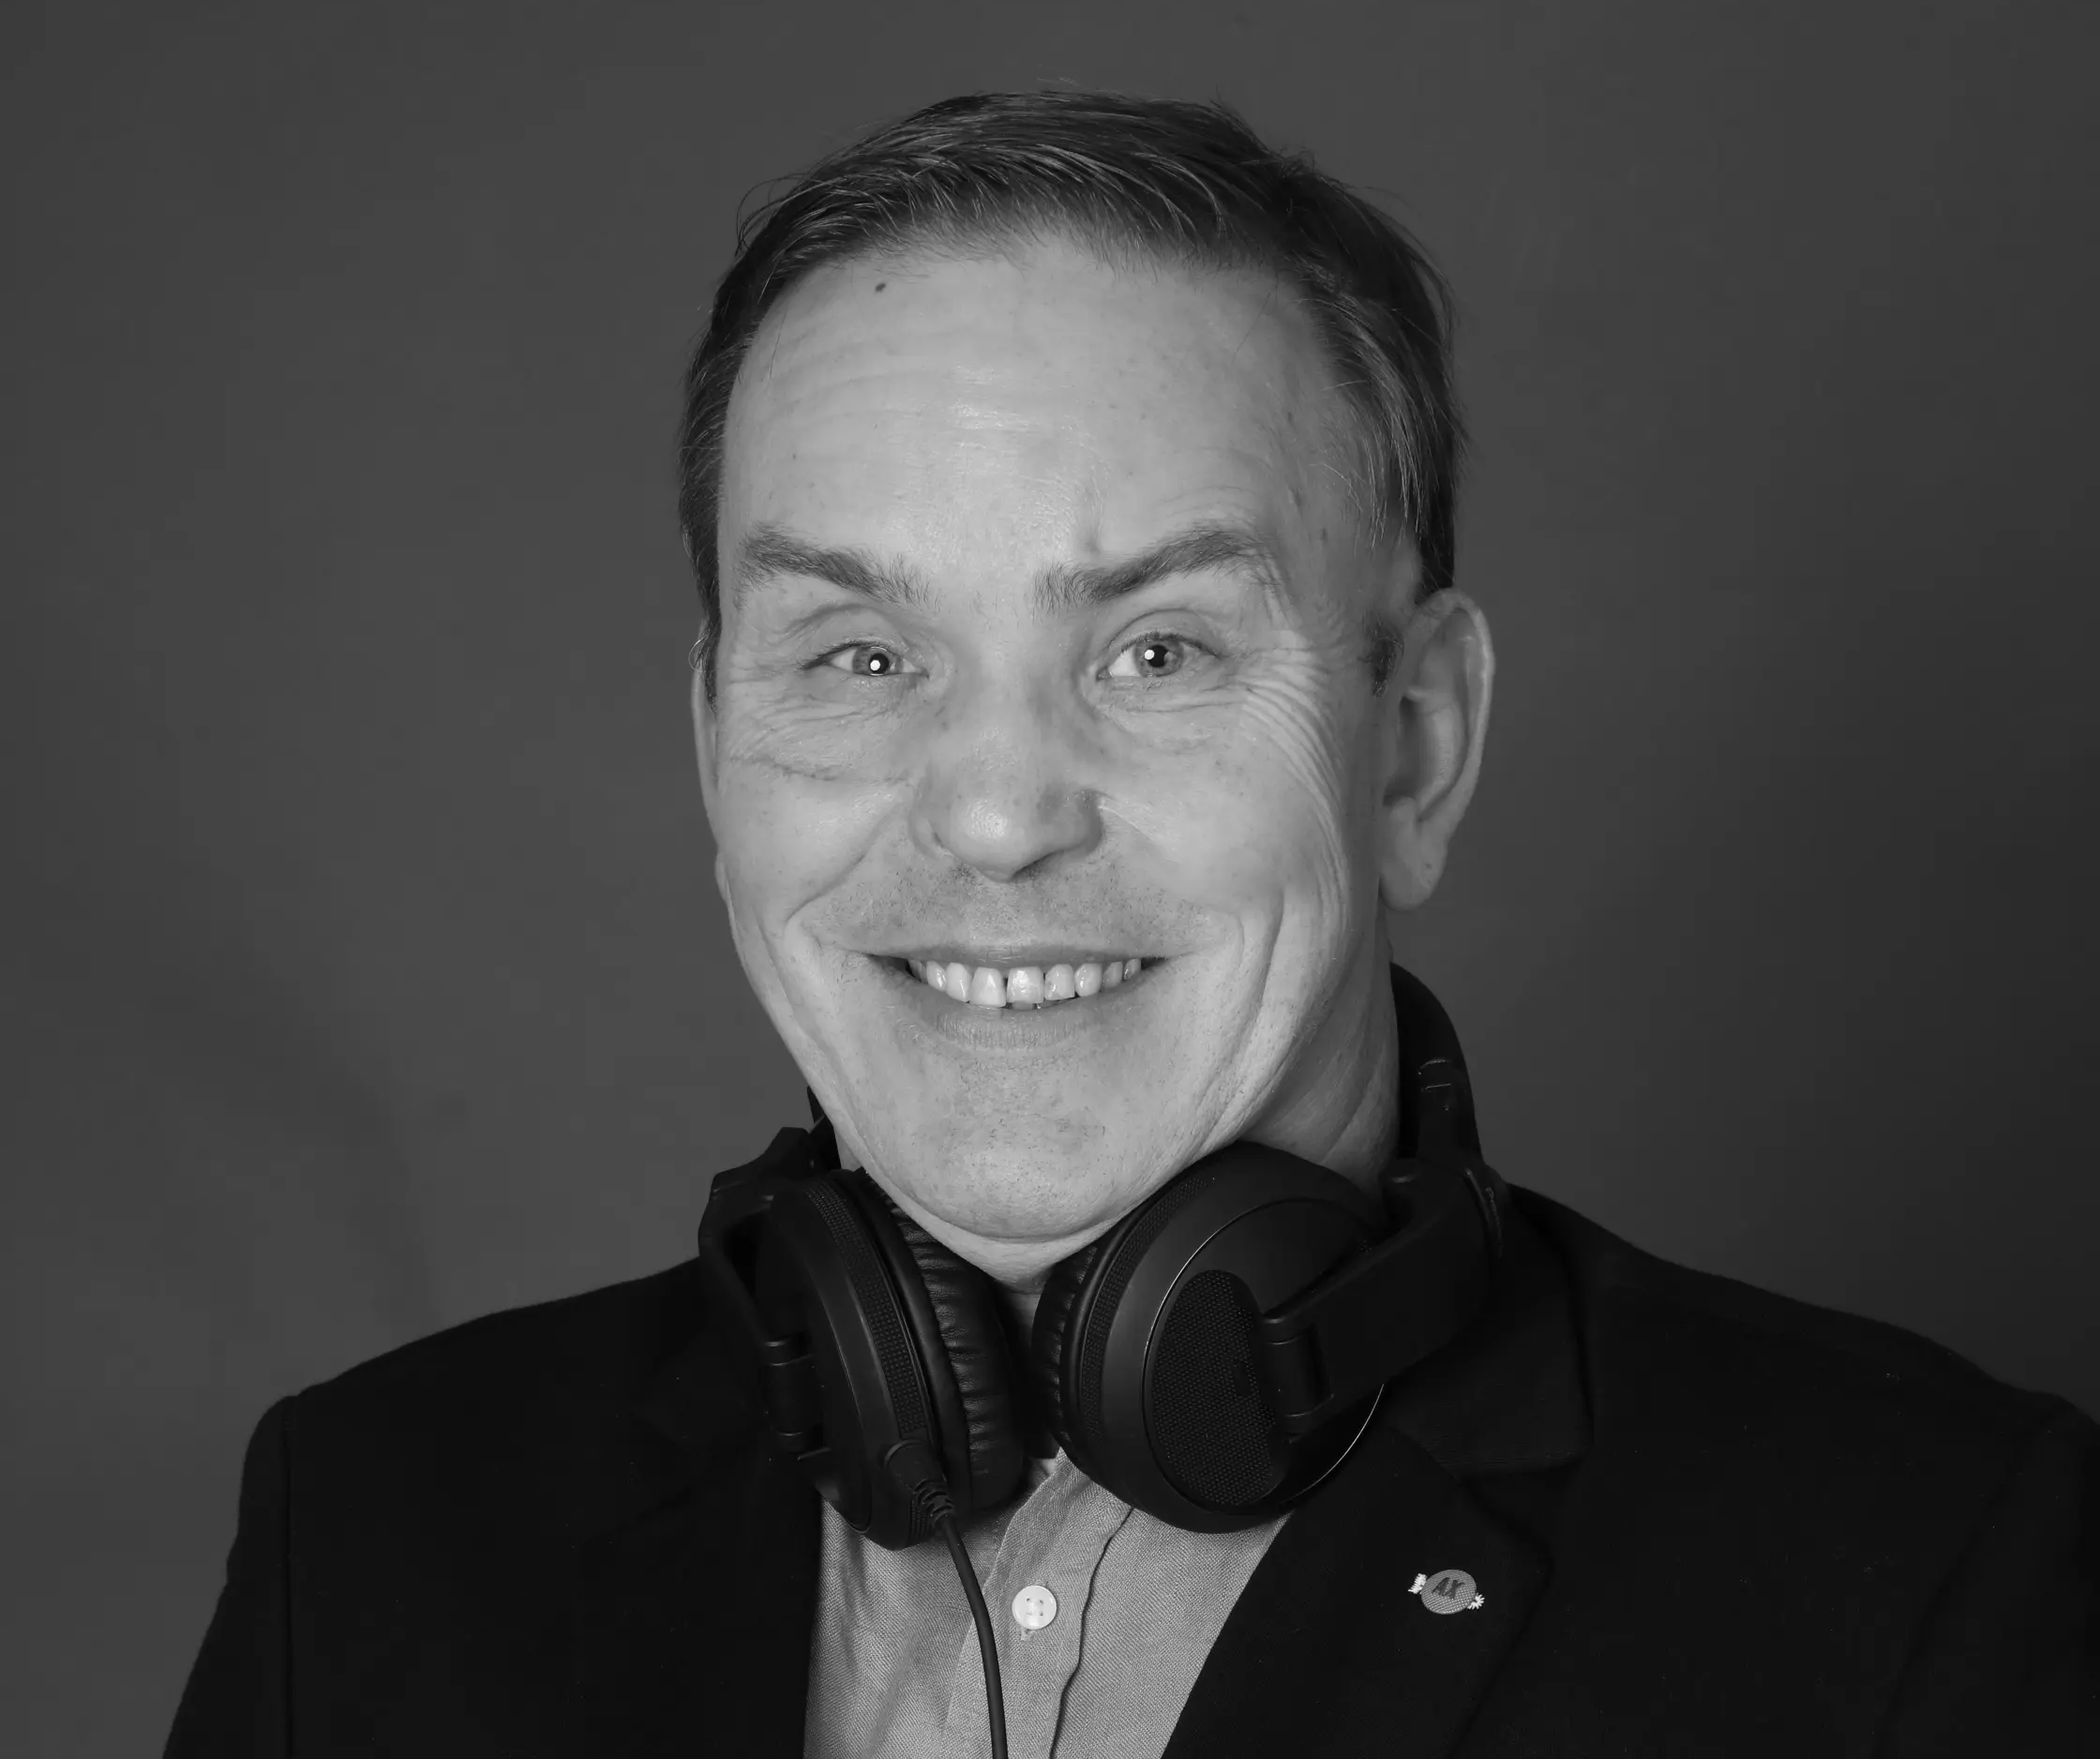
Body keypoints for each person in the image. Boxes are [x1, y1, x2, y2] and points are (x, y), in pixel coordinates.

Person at [166, 90, 2096, 1758]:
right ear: (712, 746)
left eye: (1158, 650)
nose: (997, 813)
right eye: (859, 653)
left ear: (1414, 747)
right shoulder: (374, 1533)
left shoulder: (1938, 1576)